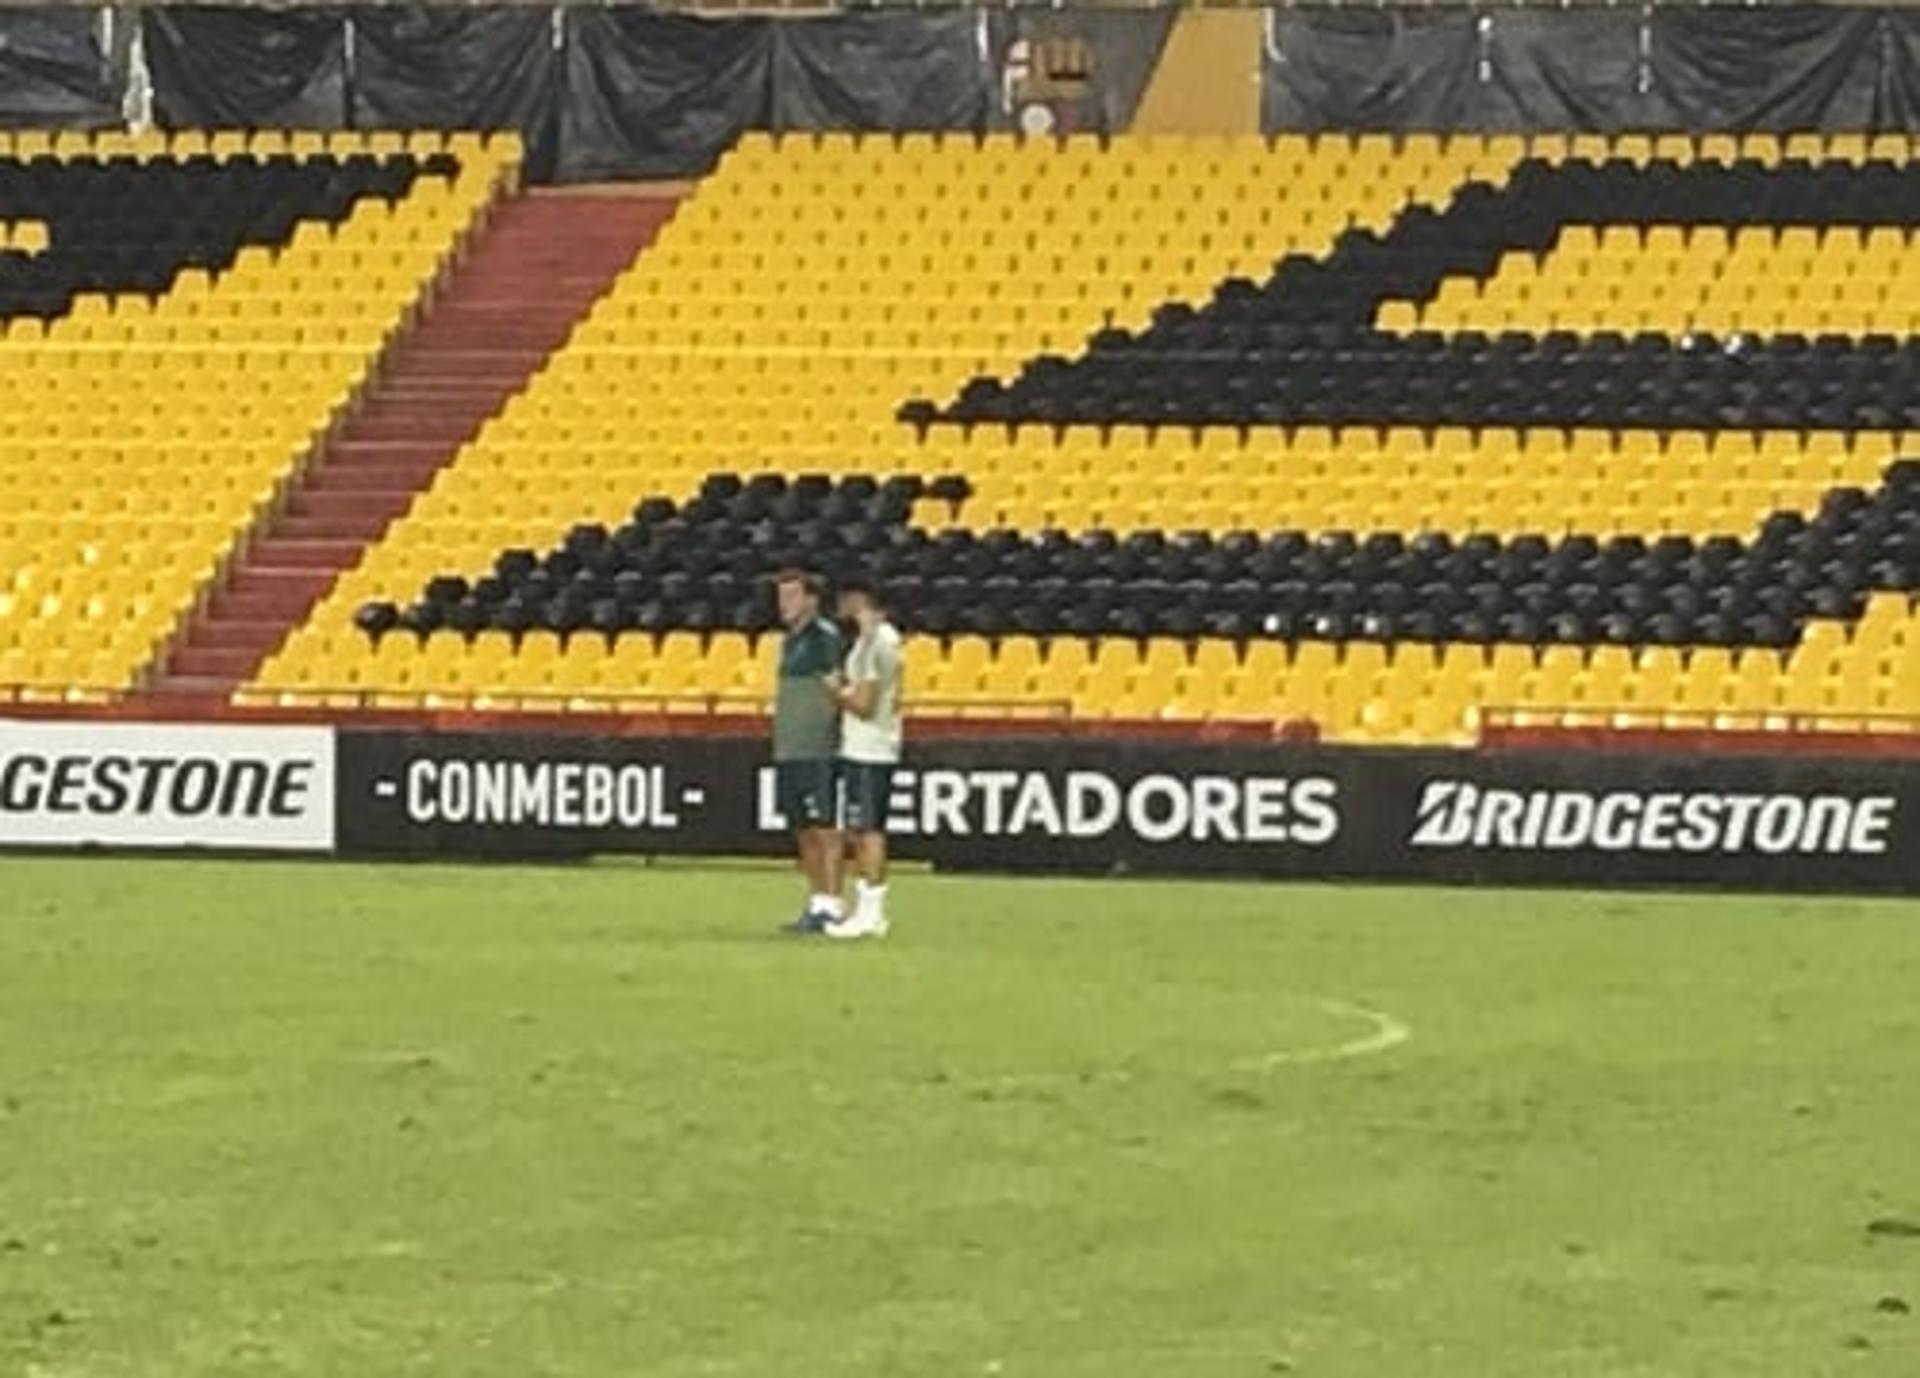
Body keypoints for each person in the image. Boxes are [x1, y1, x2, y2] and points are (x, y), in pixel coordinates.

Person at [821, 574, 903, 940]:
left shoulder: (874, 643)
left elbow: (865, 705)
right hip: (870, 744)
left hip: (869, 747)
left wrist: (837, 691)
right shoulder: (880, 640)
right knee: (863, 828)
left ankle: (871, 913)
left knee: (868, 830)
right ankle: (868, 909)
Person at [771, 568, 845, 934]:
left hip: (818, 750)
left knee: (825, 829)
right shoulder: (789, 641)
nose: (785, 604)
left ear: (812, 600)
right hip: (790, 749)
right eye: (782, 596)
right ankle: (816, 902)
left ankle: (832, 903)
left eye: (792, 596)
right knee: (802, 829)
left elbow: (837, 688)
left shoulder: (824, 638)